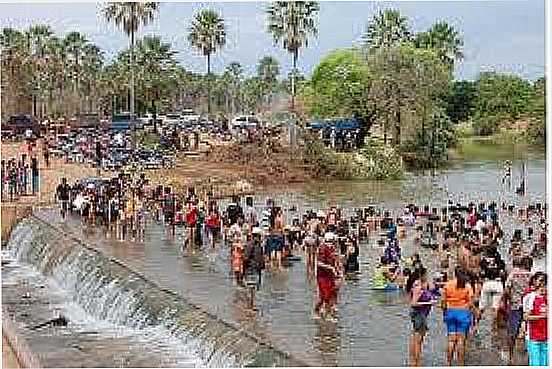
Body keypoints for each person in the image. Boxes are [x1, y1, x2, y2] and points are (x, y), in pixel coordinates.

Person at [442, 266, 474, 366]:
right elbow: (470, 303)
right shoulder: (467, 286)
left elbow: (443, 302)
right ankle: (460, 364)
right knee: (461, 340)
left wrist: (444, 312)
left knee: (451, 340)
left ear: (454, 273)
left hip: (450, 312)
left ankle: (449, 364)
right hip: (463, 313)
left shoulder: (447, 285)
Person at [504, 256, 533, 364]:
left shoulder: (513, 274)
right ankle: (530, 355)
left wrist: (507, 301)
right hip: (529, 307)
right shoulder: (532, 276)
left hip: (515, 306)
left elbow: (507, 290)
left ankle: (511, 356)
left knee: (512, 332)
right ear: (530, 265)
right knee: (530, 331)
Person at [408, 267, 434, 367]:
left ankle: (413, 361)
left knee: (415, 338)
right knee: (418, 341)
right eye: (426, 274)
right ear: (422, 275)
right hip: (420, 315)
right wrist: (428, 302)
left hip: (419, 314)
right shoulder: (418, 286)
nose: (427, 275)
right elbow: (413, 303)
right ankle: (417, 363)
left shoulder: (418, 284)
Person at [523, 272, 547, 366]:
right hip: (534, 337)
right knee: (536, 363)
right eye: (541, 281)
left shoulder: (547, 297)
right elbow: (526, 317)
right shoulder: (530, 297)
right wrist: (542, 316)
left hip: (546, 337)